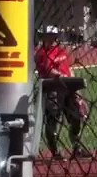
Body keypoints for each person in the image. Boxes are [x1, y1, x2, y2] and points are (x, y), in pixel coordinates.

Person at [34, 26, 92, 160]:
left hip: (68, 88)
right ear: (44, 37)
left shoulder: (61, 50)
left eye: (55, 36)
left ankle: (77, 148)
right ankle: (55, 152)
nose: (54, 39)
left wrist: (74, 86)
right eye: (50, 36)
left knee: (76, 118)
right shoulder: (41, 54)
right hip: (52, 91)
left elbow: (69, 68)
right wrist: (62, 76)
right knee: (53, 122)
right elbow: (49, 71)